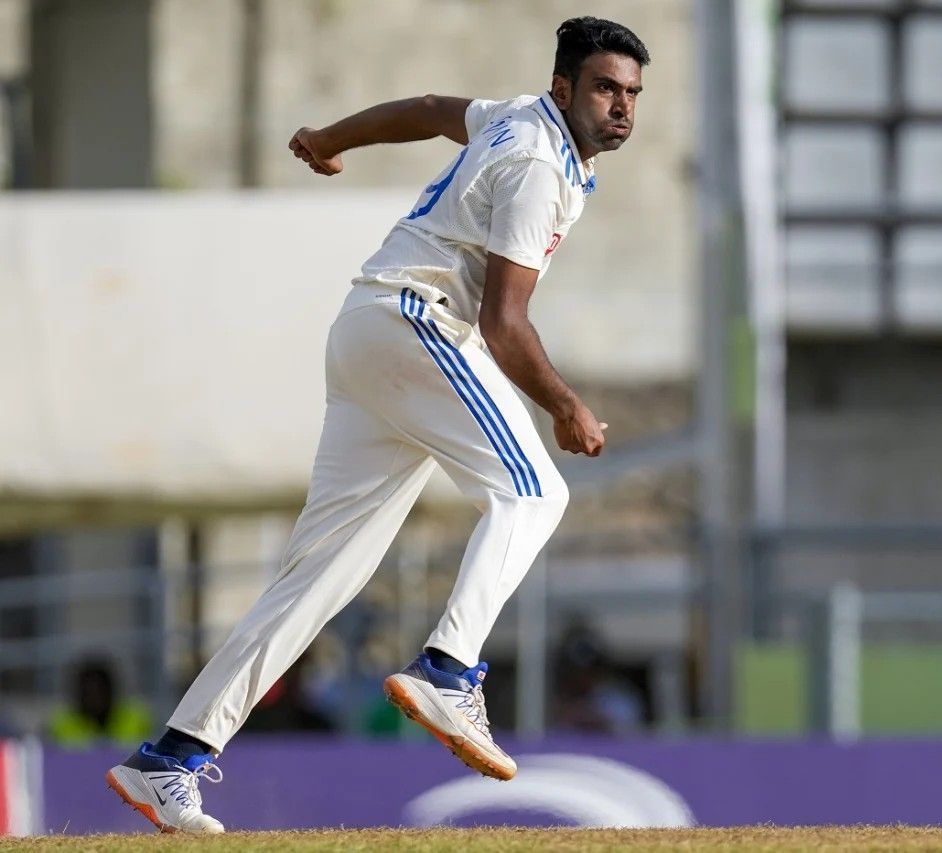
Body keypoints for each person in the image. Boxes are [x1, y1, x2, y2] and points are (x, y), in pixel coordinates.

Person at [105, 16, 649, 834]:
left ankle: (170, 758)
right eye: (606, 88)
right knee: (535, 493)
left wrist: (332, 137)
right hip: (414, 324)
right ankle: (449, 669)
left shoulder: (514, 117)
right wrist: (565, 404)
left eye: (633, 93)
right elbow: (504, 324)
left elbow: (431, 108)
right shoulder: (541, 164)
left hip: (367, 333)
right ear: (564, 88)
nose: (622, 108)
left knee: (318, 577)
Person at [47, 657, 151, 749]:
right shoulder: (60, 726)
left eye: (100, 691)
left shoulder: (138, 720)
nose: (95, 699)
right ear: (78, 694)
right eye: (88, 693)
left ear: (111, 691)